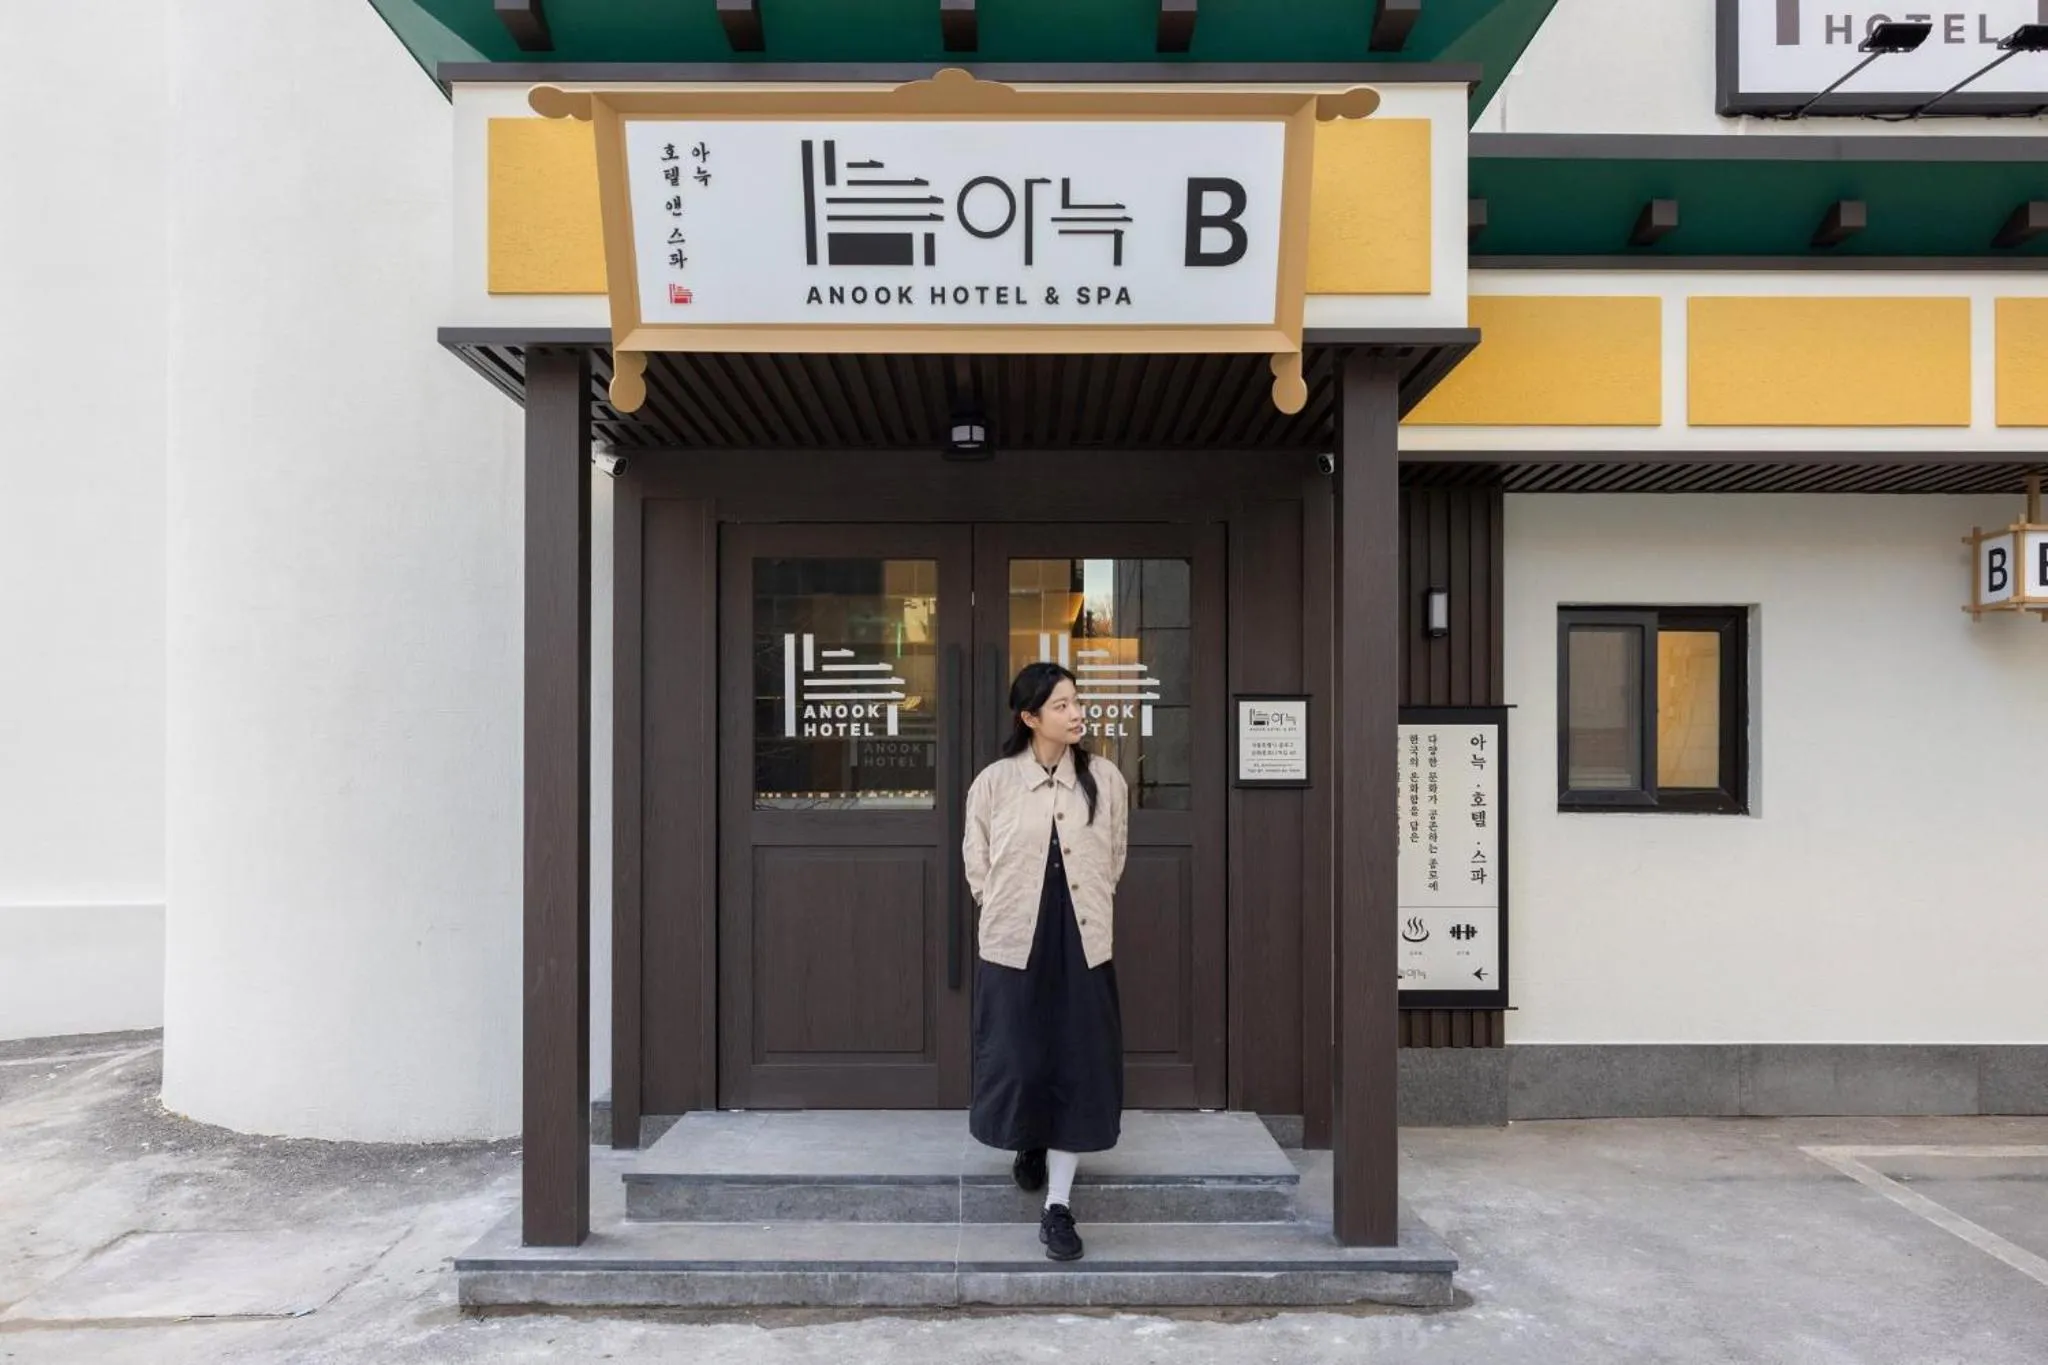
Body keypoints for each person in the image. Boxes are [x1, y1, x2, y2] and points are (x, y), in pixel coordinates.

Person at [963, 661, 1129, 1262]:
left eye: (1077, 702)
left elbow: (1113, 856)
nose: (1076, 713)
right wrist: (1004, 905)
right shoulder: (995, 782)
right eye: (1061, 705)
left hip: (1083, 941)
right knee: (1021, 1057)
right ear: (1030, 718)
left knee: (1079, 1065)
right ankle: (1027, 1138)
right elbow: (976, 861)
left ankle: (1057, 1206)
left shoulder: (1106, 780)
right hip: (1014, 943)